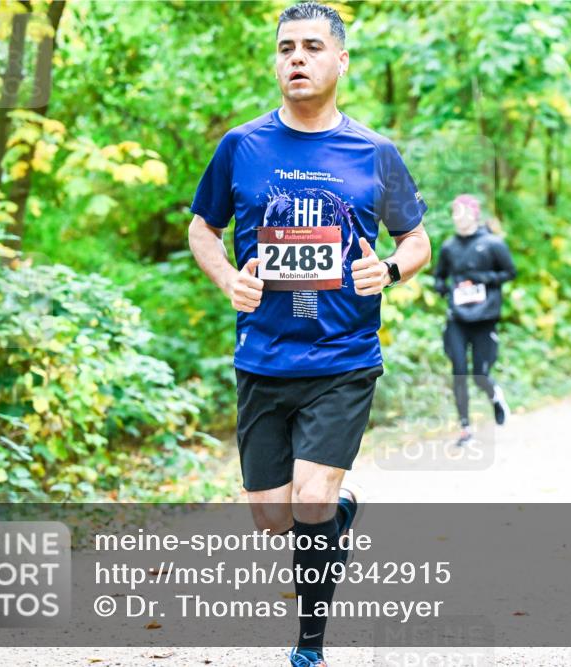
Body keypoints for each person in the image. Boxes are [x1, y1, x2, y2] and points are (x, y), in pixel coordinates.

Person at [186, 4, 431, 665]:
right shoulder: (241, 146)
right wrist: (227, 279)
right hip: (263, 357)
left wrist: (389, 269)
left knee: (312, 500)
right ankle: (341, 510)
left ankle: (310, 647)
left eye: (313, 46)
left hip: (343, 357)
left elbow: (417, 239)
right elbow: (202, 229)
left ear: (340, 61)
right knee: (273, 517)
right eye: (286, 47)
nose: (297, 57)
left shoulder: (374, 152)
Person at [434, 194, 516, 446]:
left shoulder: (492, 243)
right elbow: (439, 276)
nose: (457, 217)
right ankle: (465, 429)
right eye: (454, 212)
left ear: (474, 214)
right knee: (459, 371)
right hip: (457, 319)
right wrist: (443, 289)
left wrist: (484, 278)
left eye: (462, 211)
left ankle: (496, 397)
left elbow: (510, 272)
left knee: (480, 375)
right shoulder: (449, 246)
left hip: (484, 318)